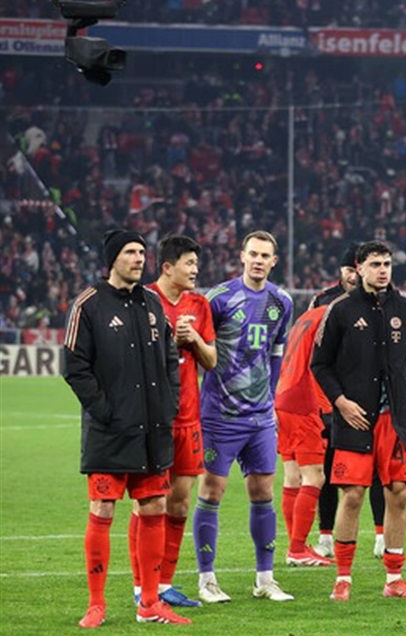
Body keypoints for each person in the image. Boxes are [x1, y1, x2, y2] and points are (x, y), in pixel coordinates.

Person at [65, 230, 189, 626]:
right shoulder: (88, 304)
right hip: (109, 432)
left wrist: (169, 404)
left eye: (141, 252)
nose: (139, 258)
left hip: (152, 430)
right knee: (102, 509)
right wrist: (104, 411)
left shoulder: (152, 303)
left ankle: (149, 603)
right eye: (130, 252)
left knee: (154, 507)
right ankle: (96, 604)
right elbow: (74, 366)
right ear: (112, 259)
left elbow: (170, 359)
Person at [312, 241, 406, 600]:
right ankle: (343, 578)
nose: (383, 270)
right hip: (355, 419)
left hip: (396, 419)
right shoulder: (341, 309)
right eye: (376, 264)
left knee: (398, 493)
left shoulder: (405, 307)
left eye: (387, 264)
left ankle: (394, 579)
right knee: (352, 495)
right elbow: (320, 364)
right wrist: (341, 402)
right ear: (360, 268)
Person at [193, 231, 295, 603]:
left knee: (264, 491)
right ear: (242, 256)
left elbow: (276, 352)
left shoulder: (282, 301)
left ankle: (265, 579)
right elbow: (201, 351)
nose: (258, 260)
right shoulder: (218, 299)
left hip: (260, 417)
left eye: (265, 255)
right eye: (253, 253)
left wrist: (270, 398)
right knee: (211, 491)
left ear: (273, 261)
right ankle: (207, 580)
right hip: (219, 415)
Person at [143, 235, 217, 607]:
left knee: (180, 503)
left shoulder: (199, 304)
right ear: (168, 267)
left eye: (196, 264)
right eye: (189, 263)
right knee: (148, 502)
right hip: (152, 418)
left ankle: (165, 583)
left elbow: (211, 361)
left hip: (188, 417)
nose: (195, 270)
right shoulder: (143, 301)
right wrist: (170, 342)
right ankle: (143, 587)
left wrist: (196, 340)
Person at [308, 246, 388, 560]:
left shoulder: (387, 302)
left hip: (376, 402)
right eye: (349, 270)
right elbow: (316, 357)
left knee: (380, 472)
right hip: (332, 402)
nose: (353, 276)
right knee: (331, 472)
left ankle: (381, 534)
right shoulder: (325, 302)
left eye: (357, 270)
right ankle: (325, 535)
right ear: (343, 270)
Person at [274, 291, 336, 568]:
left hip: (283, 398)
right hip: (303, 402)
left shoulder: (304, 319)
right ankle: (297, 549)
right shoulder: (327, 319)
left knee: (292, 477)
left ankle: (295, 546)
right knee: (315, 476)